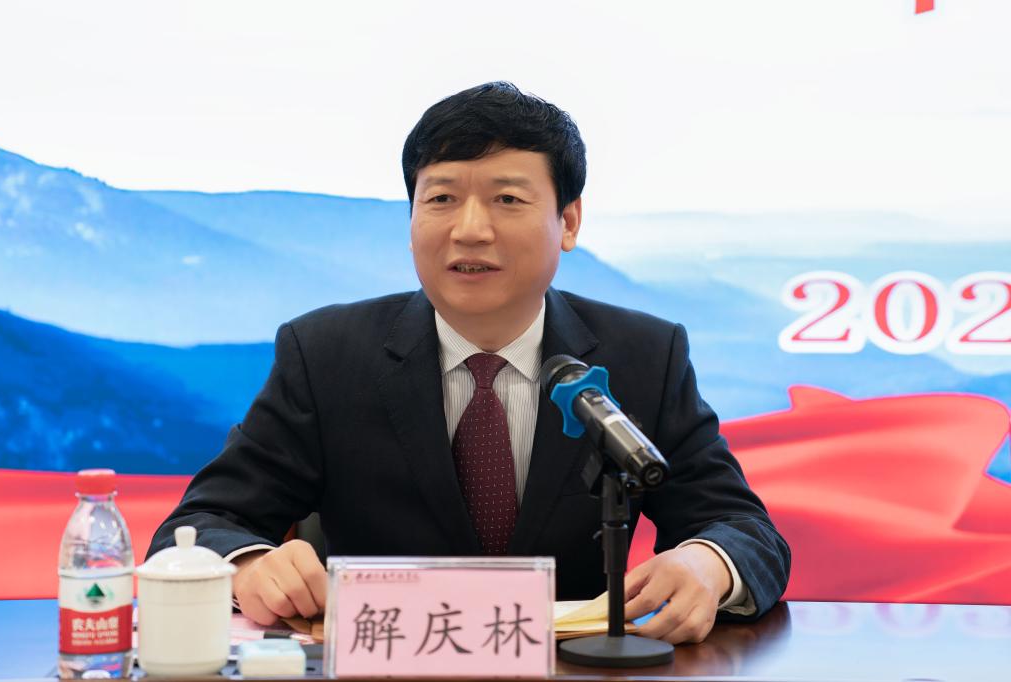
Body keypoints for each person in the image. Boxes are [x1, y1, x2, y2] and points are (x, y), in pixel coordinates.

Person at [148, 81, 790, 645]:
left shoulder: (642, 355)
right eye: (442, 199)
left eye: (507, 199)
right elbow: (204, 523)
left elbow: (742, 529)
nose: (470, 229)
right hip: (387, 662)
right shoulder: (325, 354)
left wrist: (708, 563)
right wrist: (251, 564)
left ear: (568, 221)